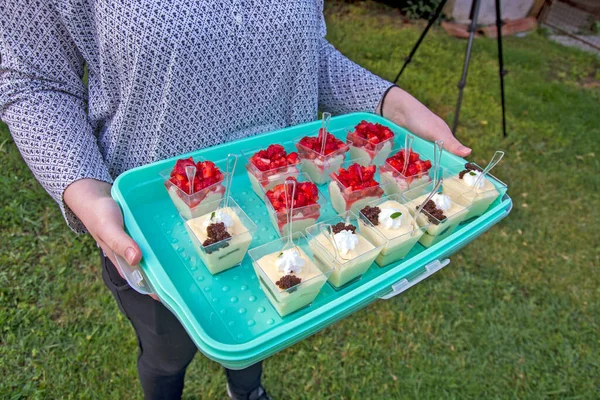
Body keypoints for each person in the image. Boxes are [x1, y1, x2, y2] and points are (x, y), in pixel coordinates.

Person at [0, 1, 471, 399]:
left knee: (262, 321)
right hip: (158, 232)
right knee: (167, 353)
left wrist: (392, 103)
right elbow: (34, 78)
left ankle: (247, 389)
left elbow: (309, 55)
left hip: (285, 214)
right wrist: (84, 191)